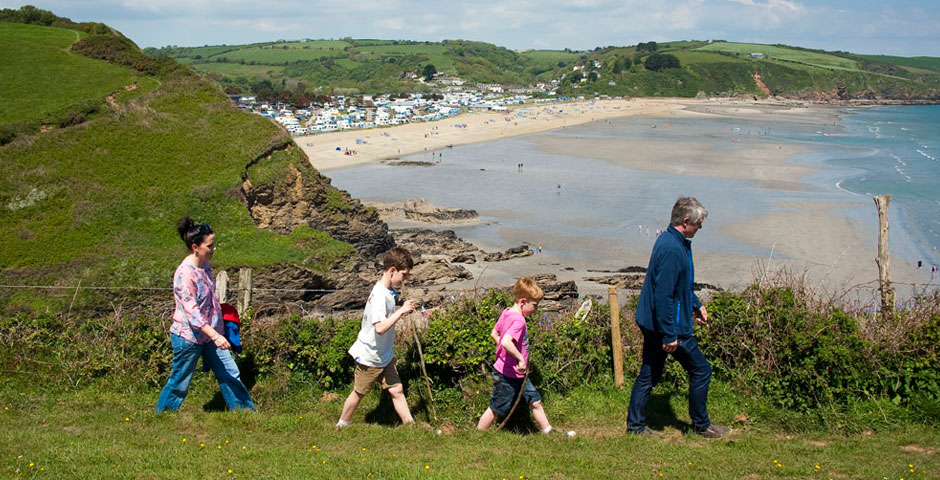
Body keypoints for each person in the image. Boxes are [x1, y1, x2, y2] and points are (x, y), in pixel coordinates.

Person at [626, 197, 729, 438]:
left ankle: (635, 426)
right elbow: (664, 296)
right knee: (701, 370)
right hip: (669, 327)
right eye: (699, 223)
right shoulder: (673, 249)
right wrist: (670, 334)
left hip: (655, 322)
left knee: (649, 373)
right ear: (685, 221)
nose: (700, 228)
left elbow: (680, 284)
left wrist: (696, 304)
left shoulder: (672, 240)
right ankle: (702, 425)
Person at [155, 217, 256, 413]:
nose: (214, 249)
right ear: (195, 247)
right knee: (180, 380)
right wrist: (216, 336)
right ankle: (163, 415)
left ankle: (244, 413)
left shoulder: (204, 265)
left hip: (211, 335)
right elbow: (193, 313)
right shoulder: (185, 274)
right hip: (189, 337)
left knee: (230, 372)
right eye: (210, 246)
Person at [337, 247, 416, 427]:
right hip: (370, 356)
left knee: (397, 389)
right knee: (359, 393)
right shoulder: (380, 295)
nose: (405, 280)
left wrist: (400, 308)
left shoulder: (388, 292)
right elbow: (380, 328)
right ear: (392, 271)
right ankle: (342, 425)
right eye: (403, 275)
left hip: (384, 354)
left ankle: (411, 427)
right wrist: (402, 311)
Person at [477, 277, 554, 434]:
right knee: (496, 407)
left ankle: (548, 431)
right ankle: (477, 434)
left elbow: (494, 333)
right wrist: (520, 358)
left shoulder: (507, 313)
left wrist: (505, 352)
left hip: (519, 374)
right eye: (534, 305)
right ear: (523, 301)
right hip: (508, 374)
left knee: (535, 400)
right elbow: (505, 341)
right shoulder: (519, 320)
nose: (536, 309)